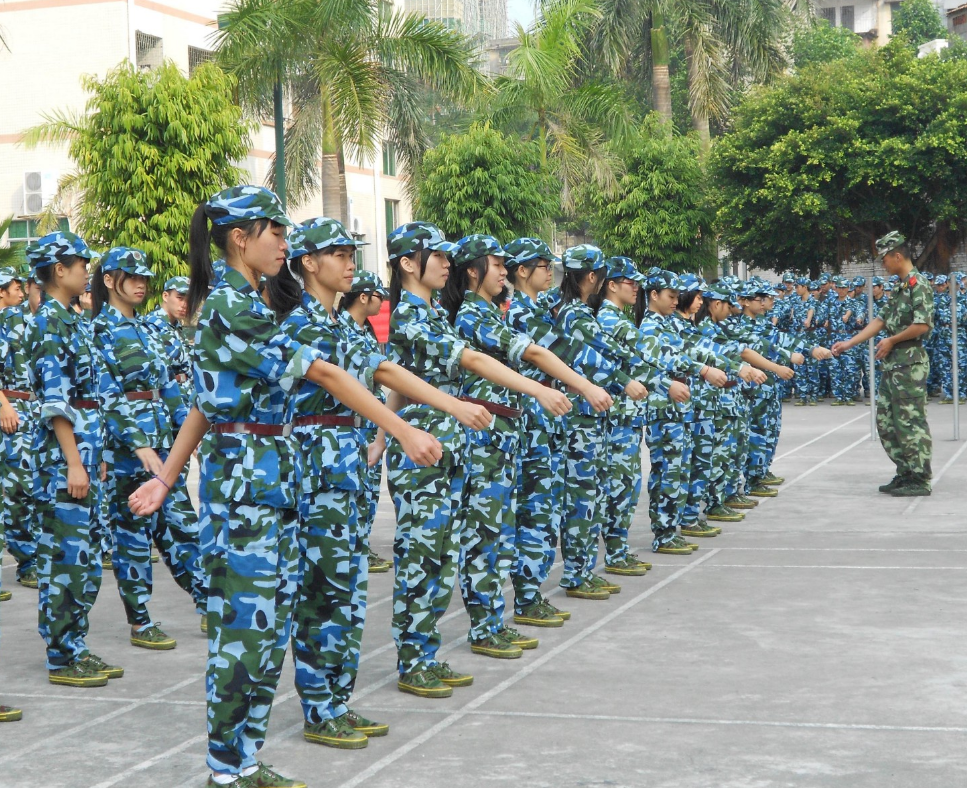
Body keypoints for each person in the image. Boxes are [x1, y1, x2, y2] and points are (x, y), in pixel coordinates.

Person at [129, 186, 442, 788]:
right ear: (239, 237)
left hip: (274, 485)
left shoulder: (249, 302)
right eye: (275, 232)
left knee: (269, 633)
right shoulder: (230, 306)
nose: (283, 244)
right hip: (244, 493)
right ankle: (228, 768)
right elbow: (321, 372)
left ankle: (244, 760)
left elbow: (203, 402)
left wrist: (166, 477)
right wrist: (402, 429)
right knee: (245, 636)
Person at [441, 234, 611, 655]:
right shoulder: (473, 315)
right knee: (485, 534)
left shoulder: (493, 312)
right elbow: (533, 354)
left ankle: (498, 617)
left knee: (504, 530)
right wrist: (583, 386)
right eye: (497, 264)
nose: (504, 271)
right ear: (473, 271)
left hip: (508, 429)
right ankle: (486, 625)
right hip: (487, 433)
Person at [90, 248, 207, 649]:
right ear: (109, 280)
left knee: (183, 527)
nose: (141, 284)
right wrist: (137, 444)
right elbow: (108, 396)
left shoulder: (149, 330)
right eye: (132, 277)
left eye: (144, 278)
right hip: (125, 453)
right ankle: (140, 621)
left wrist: (187, 434)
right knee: (132, 538)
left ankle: (209, 605)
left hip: (163, 448)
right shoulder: (98, 332)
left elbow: (170, 386)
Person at [25, 231, 123, 688]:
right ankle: (62, 656)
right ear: (59, 270)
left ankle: (74, 646)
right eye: (82, 264)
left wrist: (92, 456)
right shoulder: (49, 323)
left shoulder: (74, 320)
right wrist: (73, 462)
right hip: (61, 461)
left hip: (82, 453)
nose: (89, 271)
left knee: (84, 560)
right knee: (65, 562)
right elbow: (55, 403)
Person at [831, 232, 934, 497]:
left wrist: (892, 340)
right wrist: (849, 343)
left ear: (897, 256)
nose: (883, 264)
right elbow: (881, 321)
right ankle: (905, 472)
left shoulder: (918, 285)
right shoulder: (900, 287)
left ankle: (920, 478)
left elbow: (922, 325)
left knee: (910, 422)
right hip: (893, 366)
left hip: (909, 365)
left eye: (884, 258)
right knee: (887, 422)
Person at [337, 269, 393, 574]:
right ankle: (354, 547)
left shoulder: (366, 332)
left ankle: (362, 546)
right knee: (354, 494)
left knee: (369, 492)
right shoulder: (341, 330)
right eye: (378, 296)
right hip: (351, 424)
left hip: (370, 424)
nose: (382, 302)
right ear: (363, 297)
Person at [1, 266, 40, 592]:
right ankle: (27, 561)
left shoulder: (33, 321)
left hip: (32, 411)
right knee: (18, 490)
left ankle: (31, 560)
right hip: (12, 410)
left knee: (30, 490)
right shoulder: (9, 321)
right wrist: (4, 406)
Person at [144, 275, 194, 410]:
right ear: (165, 296)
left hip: (186, 397)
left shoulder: (177, 327)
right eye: (180, 298)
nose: (185, 305)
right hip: (168, 401)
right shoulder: (151, 325)